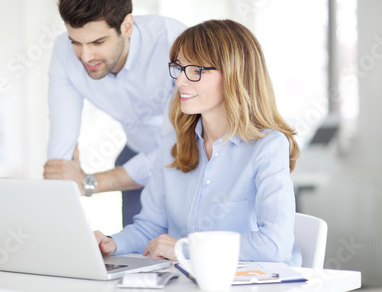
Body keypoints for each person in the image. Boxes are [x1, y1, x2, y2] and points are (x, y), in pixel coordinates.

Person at [95, 19, 302, 266]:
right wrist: (112, 243)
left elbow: (274, 246)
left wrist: (187, 247)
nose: (180, 81)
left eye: (195, 70)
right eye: (179, 68)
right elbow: (151, 228)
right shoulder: (172, 145)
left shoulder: (268, 147)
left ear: (234, 74)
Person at [43, 0, 187, 226]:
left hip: (191, 155)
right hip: (136, 153)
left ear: (127, 26)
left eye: (98, 42)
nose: (86, 57)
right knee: (139, 254)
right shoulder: (64, 55)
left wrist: (89, 183)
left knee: (181, 250)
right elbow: (61, 151)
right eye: (76, 41)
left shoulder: (175, 44)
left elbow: (176, 150)